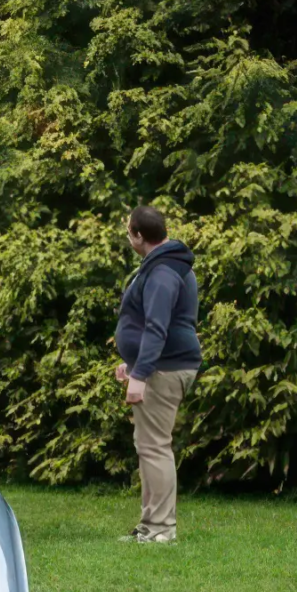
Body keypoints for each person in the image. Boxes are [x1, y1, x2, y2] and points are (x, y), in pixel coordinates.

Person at [114, 205, 201, 544]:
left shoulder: (163, 271)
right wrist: (134, 364)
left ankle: (162, 529)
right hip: (160, 366)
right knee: (148, 445)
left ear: (138, 234)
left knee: (155, 447)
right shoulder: (165, 265)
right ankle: (150, 524)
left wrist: (142, 373)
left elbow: (157, 327)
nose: (128, 237)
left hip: (165, 369)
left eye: (128, 231)